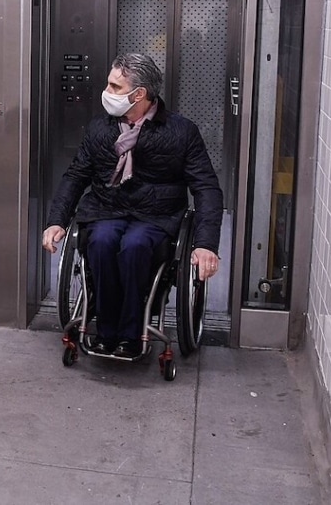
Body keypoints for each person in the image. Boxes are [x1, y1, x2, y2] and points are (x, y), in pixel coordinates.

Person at [42, 52, 222, 358]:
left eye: (114, 87)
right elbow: (76, 175)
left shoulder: (181, 132)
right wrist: (57, 219)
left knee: (136, 246)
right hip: (106, 209)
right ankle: (106, 330)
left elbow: (205, 187)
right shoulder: (101, 128)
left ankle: (131, 333)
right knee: (100, 242)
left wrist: (205, 243)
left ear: (139, 94)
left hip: (156, 215)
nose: (107, 92)